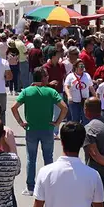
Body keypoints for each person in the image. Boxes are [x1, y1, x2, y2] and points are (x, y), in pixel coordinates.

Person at [12, 67, 67, 195]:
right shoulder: (51, 92)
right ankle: (50, 185)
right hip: (47, 128)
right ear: (42, 77)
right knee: (48, 157)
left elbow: (14, 107)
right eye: (46, 76)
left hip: (31, 129)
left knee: (31, 158)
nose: (48, 78)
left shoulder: (26, 91)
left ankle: (30, 187)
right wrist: (57, 123)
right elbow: (64, 108)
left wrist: (21, 122)